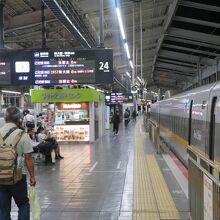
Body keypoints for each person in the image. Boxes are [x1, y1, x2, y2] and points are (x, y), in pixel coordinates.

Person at [0, 106, 36, 220]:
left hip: (0, 177)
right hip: (18, 176)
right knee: (23, 204)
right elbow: (28, 158)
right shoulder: (22, 135)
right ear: (19, 119)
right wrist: (32, 177)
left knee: (3, 208)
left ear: (5, 118)